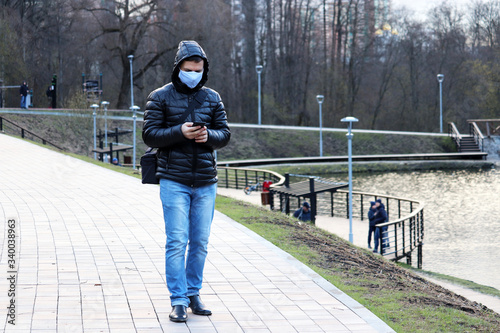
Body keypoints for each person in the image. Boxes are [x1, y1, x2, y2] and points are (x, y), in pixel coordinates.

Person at [142, 40, 231, 323]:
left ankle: (194, 294)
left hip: (206, 180)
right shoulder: (160, 97)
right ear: (178, 68)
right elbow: (150, 135)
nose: (193, 73)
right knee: (177, 241)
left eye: (198, 69)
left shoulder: (212, 98)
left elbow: (225, 134)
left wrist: (210, 137)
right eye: (189, 69)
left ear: (204, 70)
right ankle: (178, 300)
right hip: (174, 180)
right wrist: (180, 131)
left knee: (200, 242)